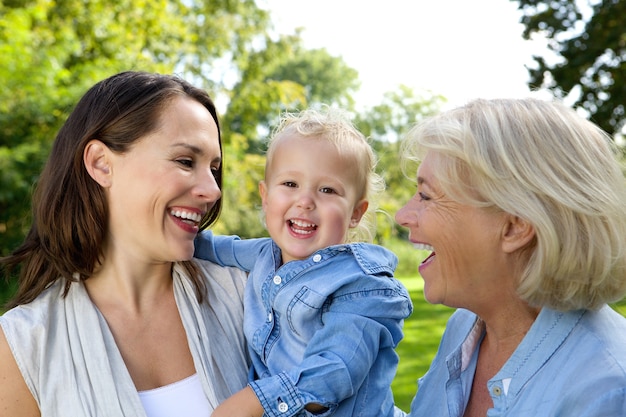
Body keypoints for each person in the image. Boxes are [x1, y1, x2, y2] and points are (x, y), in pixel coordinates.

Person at [0, 71, 250, 416]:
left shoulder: (245, 297)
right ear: (101, 164)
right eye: (185, 161)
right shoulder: (22, 347)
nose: (213, 190)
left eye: (214, 168)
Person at [394, 98, 626, 417]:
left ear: (515, 227)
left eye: (426, 196)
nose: (402, 215)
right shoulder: (466, 328)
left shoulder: (606, 391)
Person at [194, 107, 413, 417]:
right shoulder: (261, 255)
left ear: (356, 212)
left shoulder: (362, 286)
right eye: (290, 184)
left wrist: (254, 400)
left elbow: (336, 371)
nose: (305, 200)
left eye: (327, 190)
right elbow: (206, 247)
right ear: (266, 197)